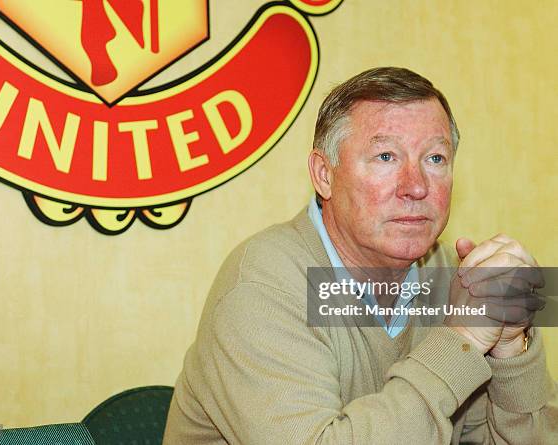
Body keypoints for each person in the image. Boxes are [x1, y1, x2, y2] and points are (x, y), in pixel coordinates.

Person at [163, 67, 557, 444]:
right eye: (386, 157)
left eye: (435, 159)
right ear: (323, 174)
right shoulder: (260, 288)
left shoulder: (443, 275)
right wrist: (463, 338)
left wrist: (511, 346)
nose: (416, 186)